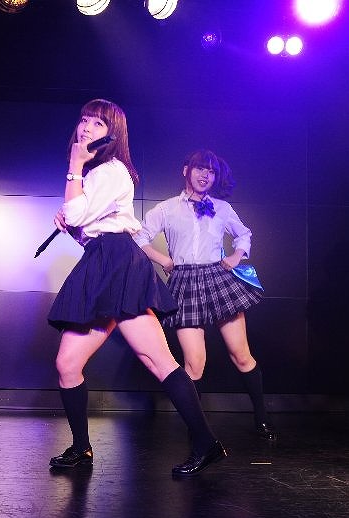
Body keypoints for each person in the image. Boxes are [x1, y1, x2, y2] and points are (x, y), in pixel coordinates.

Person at [47, 99, 226, 476]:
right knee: (68, 364)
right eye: (84, 120)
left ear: (112, 134)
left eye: (98, 124)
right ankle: (81, 447)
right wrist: (74, 227)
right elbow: (89, 229)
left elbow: (79, 213)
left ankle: (206, 443)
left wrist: (74, 167)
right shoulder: (98, 173)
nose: (86, 127)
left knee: (159, 361)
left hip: (118, 264)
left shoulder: (110, 171)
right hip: (103, 259)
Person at [134, 150, 276, 440]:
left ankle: (262, 420)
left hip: (217, 279)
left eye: (211, 172)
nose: (205, 175)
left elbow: (244, 234)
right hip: (185, 281)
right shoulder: (166, 208)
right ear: (186, 170)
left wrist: (236, 255)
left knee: (241, 355)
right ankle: (197, 430)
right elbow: (139, 237)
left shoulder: (222, 207)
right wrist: (163, 260)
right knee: (194, 364)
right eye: (200, 169)